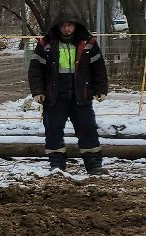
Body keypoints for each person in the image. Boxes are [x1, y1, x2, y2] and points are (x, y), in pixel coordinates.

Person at [28, 16, 109, 173]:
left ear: (75, 26)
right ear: (58, 27)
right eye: (63, 25)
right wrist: (38, 91)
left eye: (70, 25)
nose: (66, 28)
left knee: (88, 129)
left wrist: (101, 89)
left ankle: (94, 165)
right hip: (54, 97)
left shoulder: (88, 42)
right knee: (53, 131)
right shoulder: (46, 43)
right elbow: (35, 69)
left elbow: (98, 68)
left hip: (81, 96)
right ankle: (57, 165)